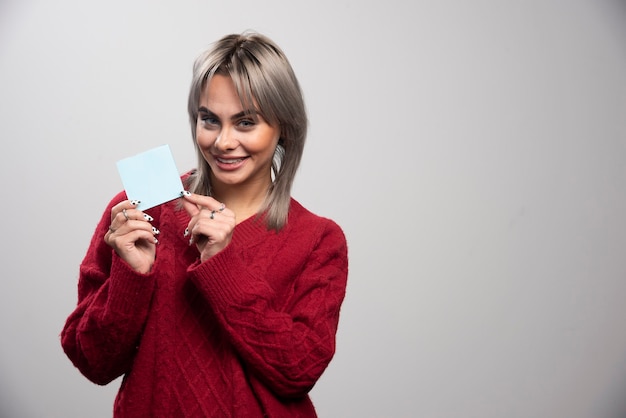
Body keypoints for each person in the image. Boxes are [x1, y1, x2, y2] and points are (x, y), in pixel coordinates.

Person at [61, 32, 349, 417]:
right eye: (209, 119)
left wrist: (222, 265)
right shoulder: (140, 208)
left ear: (284, 127)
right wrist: (132, 276)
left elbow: (298, 371)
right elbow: (92, 362)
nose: (224, 141)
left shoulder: (318, 239)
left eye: (246, 122)